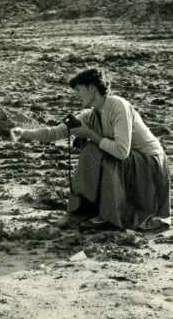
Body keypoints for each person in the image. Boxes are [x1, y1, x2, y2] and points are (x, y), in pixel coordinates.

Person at [11, 68, 170, 230]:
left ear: (92, 89)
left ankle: (109, 216)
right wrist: (23, 133)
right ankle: (85, 209)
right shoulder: (91, 114)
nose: (77, 95)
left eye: (79, 90)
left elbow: (122, 152)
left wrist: (89, 134)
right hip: (130, 162)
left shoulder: (118, 105)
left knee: (98, 152)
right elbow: (55, 132)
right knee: (94, 151)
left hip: (149, 164)